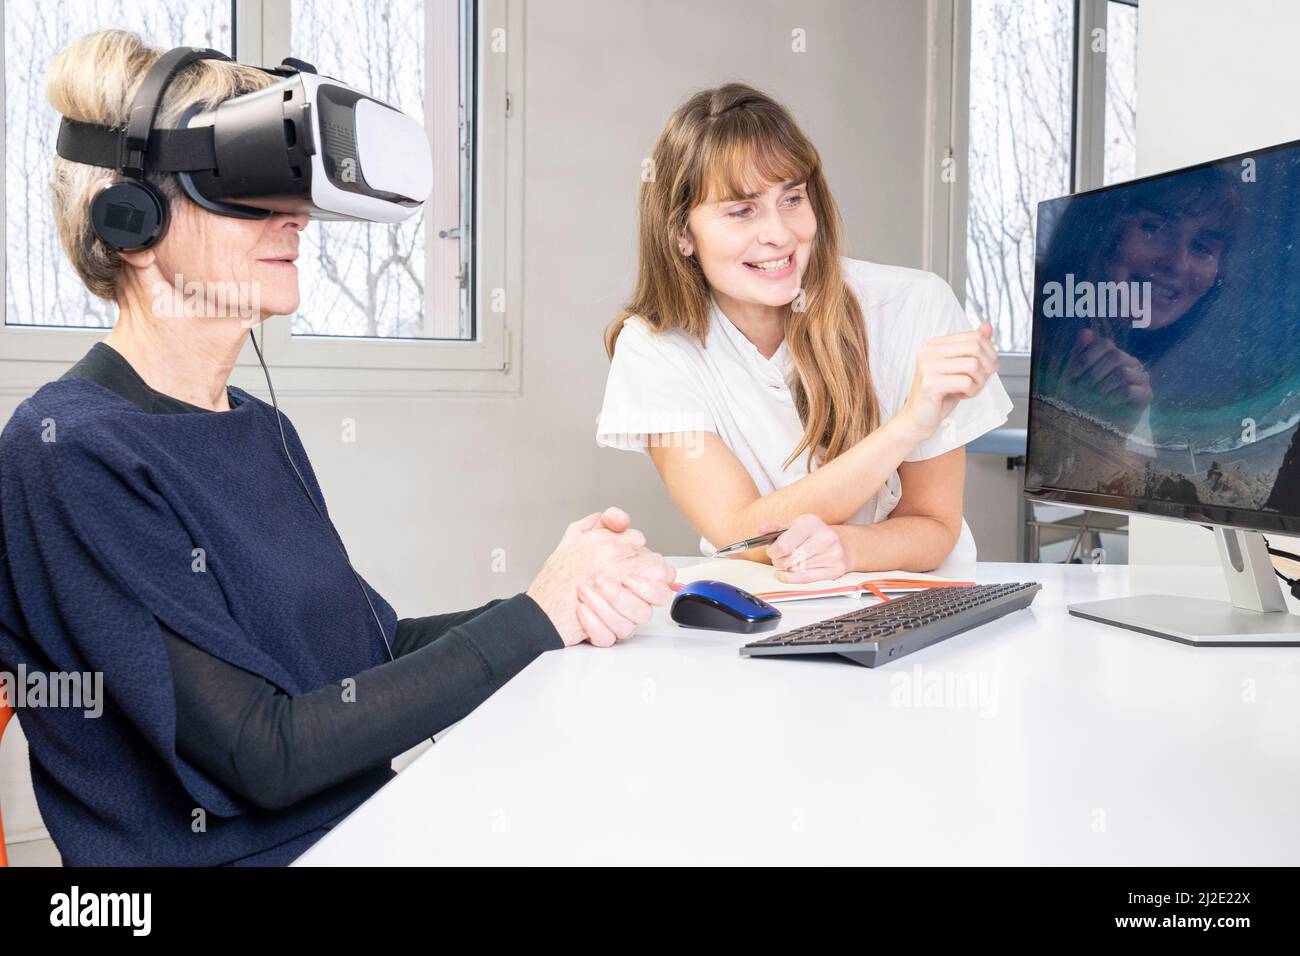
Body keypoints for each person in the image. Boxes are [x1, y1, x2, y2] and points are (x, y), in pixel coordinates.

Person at [0, 29, 674, 867]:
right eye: (238, 183)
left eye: (288, 186)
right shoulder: (67, 453)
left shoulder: (256, 425)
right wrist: (539, 616)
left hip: (373, 835)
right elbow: (264, 754)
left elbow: (369, 656)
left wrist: (565, 597)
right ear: (129, 216)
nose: (294, 217)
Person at [595, 83, 1012, 580]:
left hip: (919, 604)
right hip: (770, 608)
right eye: (741, 210)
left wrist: (849, 548)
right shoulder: (653, 347)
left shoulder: (913, 305)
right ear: (682, 233)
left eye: (792, 198)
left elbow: (934, 524)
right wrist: (908, 426)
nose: (781, 233)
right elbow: (738, 531)